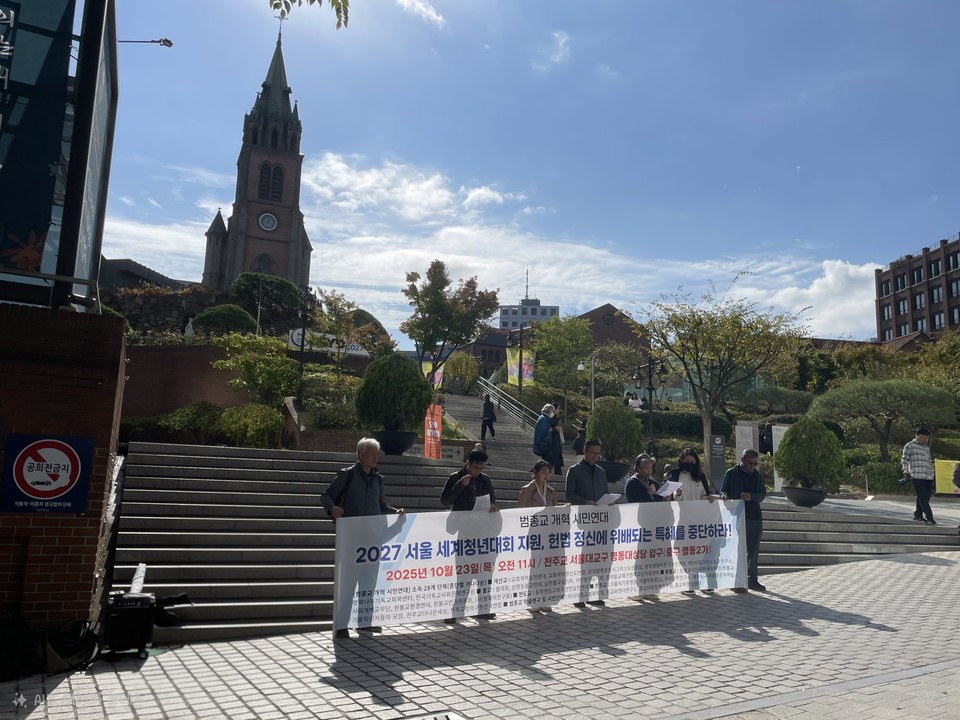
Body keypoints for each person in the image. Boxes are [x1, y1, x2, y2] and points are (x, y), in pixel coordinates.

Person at [321, 437, 405, 638]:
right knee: (348, 583)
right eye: (373, 453)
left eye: (377, 453)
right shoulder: (347, 475)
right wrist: (332, 508)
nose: (376, 457)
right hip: (352, 540)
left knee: (369, 584)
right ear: (361, 455)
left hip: (374, 539)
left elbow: (381, 505)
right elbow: (326, 496)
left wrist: (395, 512)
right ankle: (342, 625)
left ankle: (364, 622)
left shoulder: (378, 479)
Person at [441, 449, 499, 622]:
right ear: (468, 463)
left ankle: (483, 609)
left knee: (485, 572)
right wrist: (461, 485)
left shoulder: (485, 479)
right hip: (465, 533)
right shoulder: (456, 477)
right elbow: (445, 500)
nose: (478, 471)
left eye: (482, 467)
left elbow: (492, 499)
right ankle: (457, 611)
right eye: (476, 467)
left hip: (484, 532)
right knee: (464, 574)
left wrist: (492, 506)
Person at [565, 438, 608, 607]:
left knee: (596, 559)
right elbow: (569, 494)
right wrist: (585, 502)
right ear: (584, 451)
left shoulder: (601, 472)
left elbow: (605, 492)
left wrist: (609, 501)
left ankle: (594, 594)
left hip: (599, 523)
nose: (595, 456)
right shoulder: (575, 470)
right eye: (592, 453)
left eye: (598, 454)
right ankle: (579, 596)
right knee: (582, 560)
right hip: (582, 522)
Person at [721, 449, 767, 593]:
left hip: (755, 516)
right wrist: (724, 496)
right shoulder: (732, 473)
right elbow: (723, 490)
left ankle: (752, 579)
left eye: (755, 463)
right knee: (738, 549)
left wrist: (751, 496)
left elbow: (762, 494)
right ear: (742, 460)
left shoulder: (757, 475)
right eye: (750, 463)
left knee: (753, 550)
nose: (752, 466)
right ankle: (737, 581)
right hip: (738, 516)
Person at [902, 428, 936, 525]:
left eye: (926, 438)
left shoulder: (926, 448)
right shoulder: (910, 445)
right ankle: (930, 517)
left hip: (928, 476)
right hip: (917, 475)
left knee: (925, 497)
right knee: (922, 497)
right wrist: (906, 471)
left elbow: (929, 461)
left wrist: (932, 473)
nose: (924, 440)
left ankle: (918, 514)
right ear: (916, 436)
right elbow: (904, 459)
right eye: (922, 437)